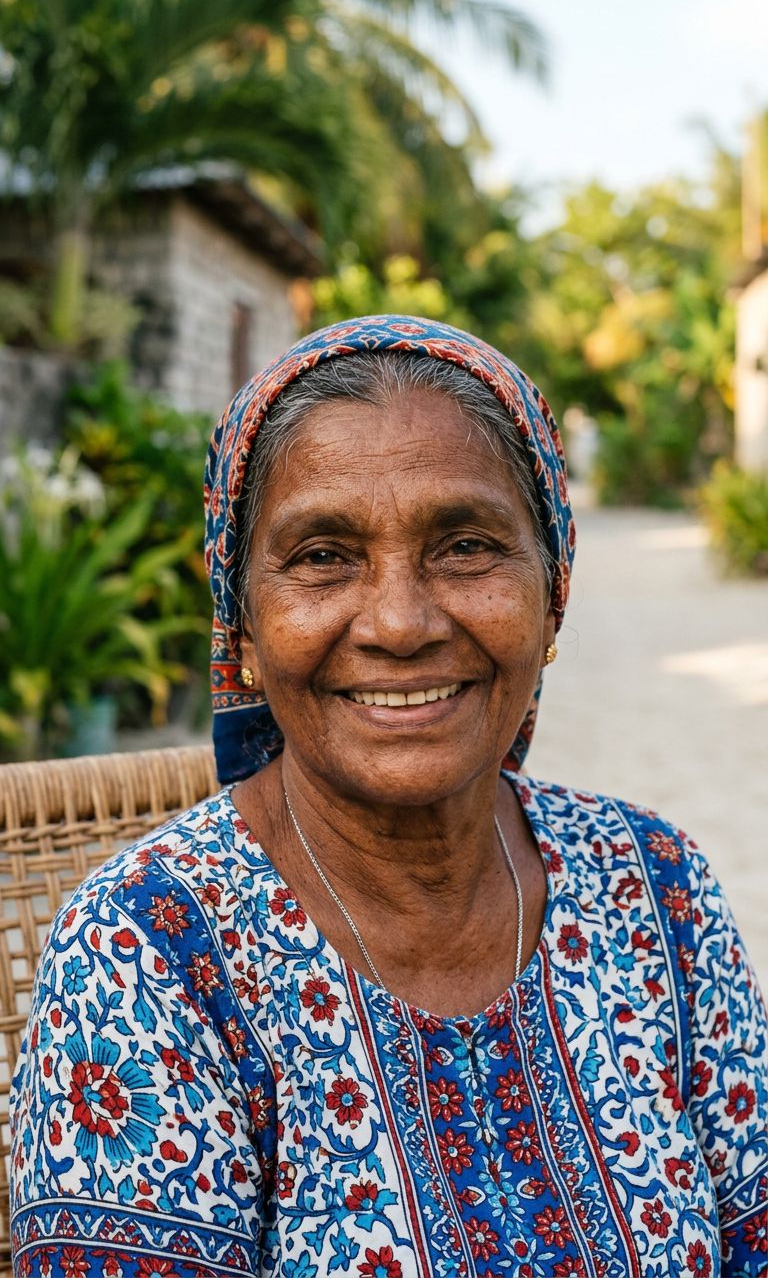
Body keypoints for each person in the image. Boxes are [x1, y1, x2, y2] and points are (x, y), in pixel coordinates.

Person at [10, 316, 768, 1278]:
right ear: (240, 621)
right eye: (324, 555)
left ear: (554, 591)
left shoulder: (657, 889)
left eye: (465, 545)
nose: (401, 623)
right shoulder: (145, 958)